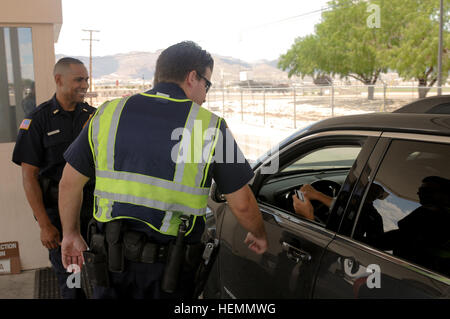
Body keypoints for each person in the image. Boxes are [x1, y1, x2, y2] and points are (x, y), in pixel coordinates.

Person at [59, 41, 268, 299]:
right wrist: (258, 233)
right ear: (192, 77)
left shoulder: (109, 113)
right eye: (207, 84)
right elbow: (243, 204)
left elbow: (69, 182)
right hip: (169, 272)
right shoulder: (209, 127)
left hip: (110, 264)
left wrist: (70, 233)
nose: (206, 95)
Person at [12, 57, 96, 299]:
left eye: (86, 79)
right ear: (58, 80)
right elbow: (29, 177)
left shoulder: (92, 116)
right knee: (71, 279)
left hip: (93, 212)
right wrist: (44, 224)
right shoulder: (37, 121)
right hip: (58, 216)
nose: (85, 85)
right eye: (78, 79)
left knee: (103, 275)